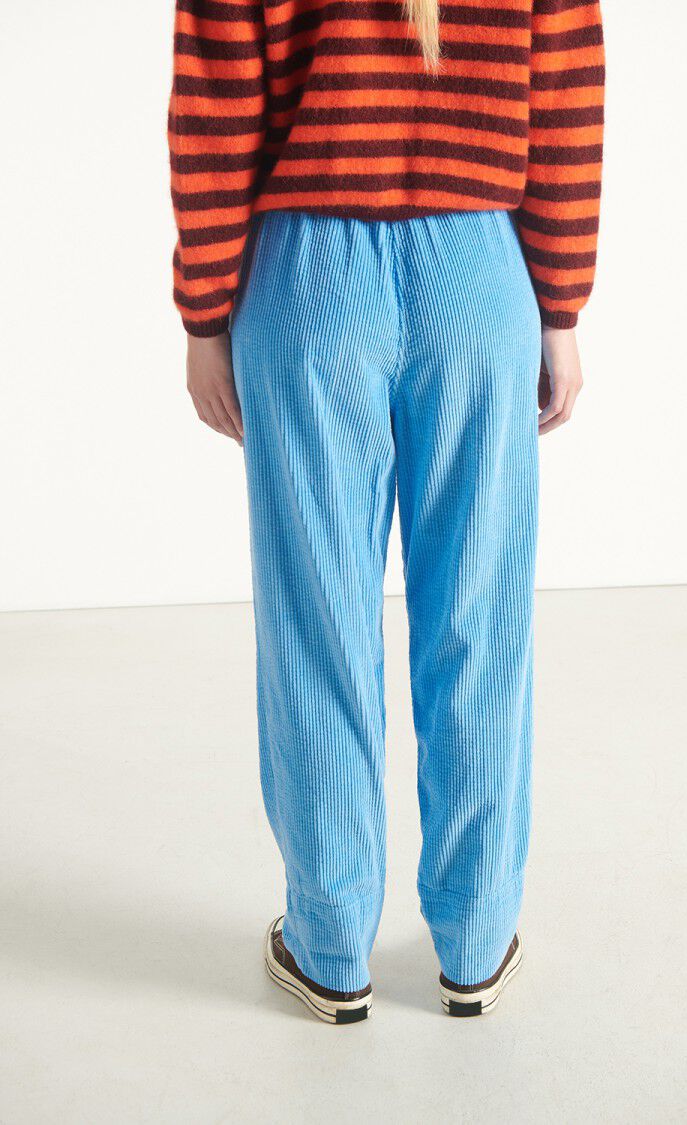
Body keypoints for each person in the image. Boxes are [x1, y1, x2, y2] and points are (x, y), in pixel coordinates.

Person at [168, 0, 604, 1023]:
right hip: (479, 272)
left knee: (317, 621)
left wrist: (204, 313)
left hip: (307, 280)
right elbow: (566, 101)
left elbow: (216, 108)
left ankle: (329, 947)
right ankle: (476, 940)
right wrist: (561, 305)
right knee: (478, 617)